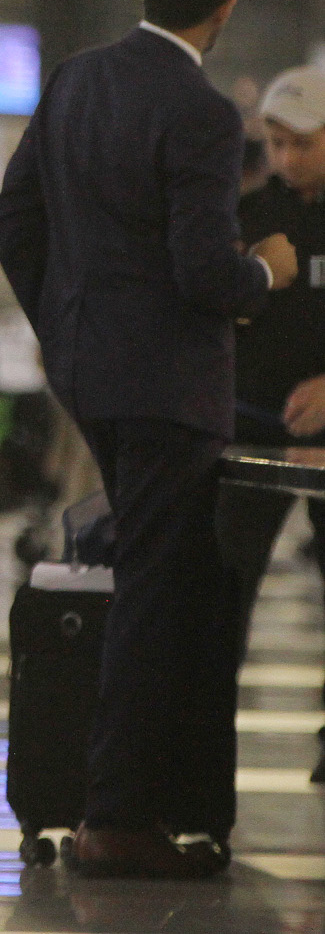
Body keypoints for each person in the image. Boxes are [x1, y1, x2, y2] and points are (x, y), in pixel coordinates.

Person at [0, 0, 296, 878]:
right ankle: (116, 819)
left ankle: (141, 798)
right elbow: (205, 272)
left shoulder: (75, 79)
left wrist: (63, 327)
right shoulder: (201, 113)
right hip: (168, 387)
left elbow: (13, 219)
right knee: (154, 596)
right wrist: (268, 274)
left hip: (91, 375)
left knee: (148, 580)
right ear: (225, 4)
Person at [211, 66, 325, 782]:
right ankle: (198, 725)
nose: (286, 158)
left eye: (302, 143)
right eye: (276, 143)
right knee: (223, 579)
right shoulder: (250, 214)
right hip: (253, 424)